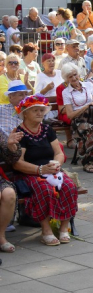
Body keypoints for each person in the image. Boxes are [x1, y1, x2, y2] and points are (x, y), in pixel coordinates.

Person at [3, 95, 76, 246]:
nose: (40, 113)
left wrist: (57, 164)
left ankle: (64, 228)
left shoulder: (47, 129)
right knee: (44, 189)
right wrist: (40, 169)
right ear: (25, 113)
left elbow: (58, 152)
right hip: (28, 173)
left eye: (42, 110)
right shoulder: (19, 133)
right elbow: (18, 163)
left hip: (50, 169)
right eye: (35, 110)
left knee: (69, 186)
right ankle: (46, 230)